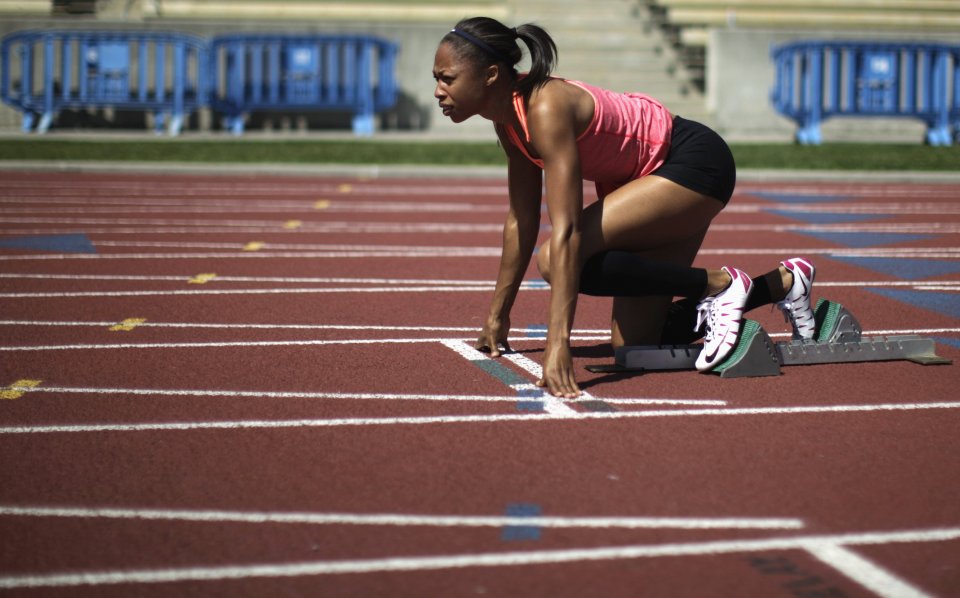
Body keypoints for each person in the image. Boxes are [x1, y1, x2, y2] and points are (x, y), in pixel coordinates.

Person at [432, 16, 817, 398]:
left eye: (446, 78)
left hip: (693, 163)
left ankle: (723, 284)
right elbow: (521, 220)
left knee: (554, 257)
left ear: (491, 76)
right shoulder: (508, 121)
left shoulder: (545, 109)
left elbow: (567, 232)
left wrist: (558, 345)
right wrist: (498, 316)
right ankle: (783, 283)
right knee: (633, 345)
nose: (438, 91)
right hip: (652, 176)